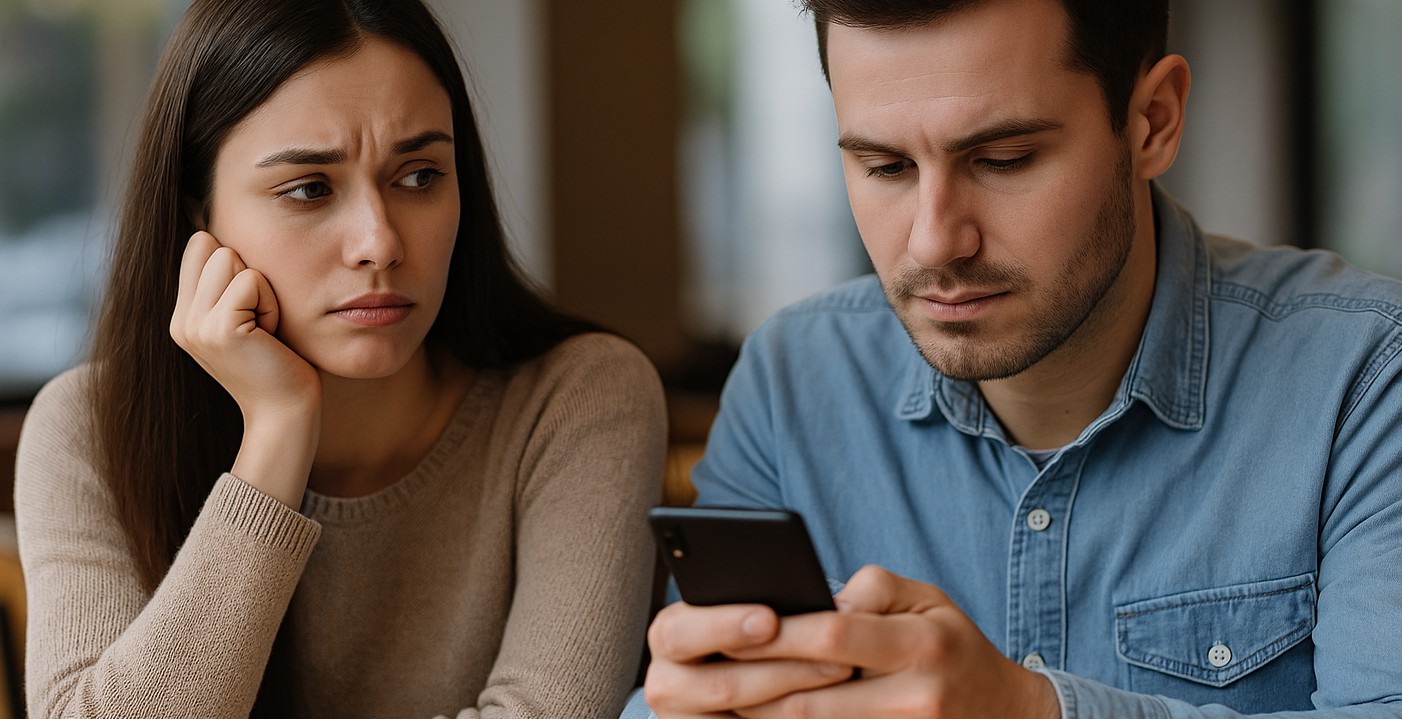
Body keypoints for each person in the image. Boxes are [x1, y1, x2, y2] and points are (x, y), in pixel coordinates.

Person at [633, 0, 1402, 717]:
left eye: (1003, 158)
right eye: (886, 168)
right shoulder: (790, 381)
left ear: (1152, 122)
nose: (935, 241)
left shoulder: (1363, 376)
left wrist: (1028, 708)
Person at [14, 0, 666, 716]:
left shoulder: (579, 398)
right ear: (198, 212)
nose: (379, 242)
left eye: (419, 175)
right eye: (309, 188)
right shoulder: (87, 430)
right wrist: (276, 433)